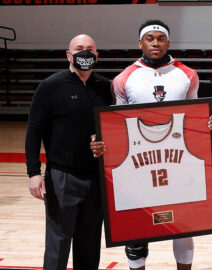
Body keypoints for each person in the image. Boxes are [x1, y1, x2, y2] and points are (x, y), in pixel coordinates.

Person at [92, 19, 212, 270]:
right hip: (139, 161)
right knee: (136, 228)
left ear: (168, 42)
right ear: (140, 43)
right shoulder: (123, 78)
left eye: (160, 38)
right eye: (150, 38)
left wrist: (210, 121)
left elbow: (194, 116)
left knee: (183, 226)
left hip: (177, 158)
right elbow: (117, 124)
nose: (156, 43)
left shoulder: (187, 74)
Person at [25, 34, 112, 270]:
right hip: (62, 177)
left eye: (90, 49)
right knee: (58, 244)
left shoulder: (106, 87)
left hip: (96, 179)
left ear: (97, 55)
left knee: (89, 244)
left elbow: (116, 129)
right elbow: (34, 130)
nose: (85, 52)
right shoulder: (50, 86)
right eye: (79, 48)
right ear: (68, 54)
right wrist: (34, 172)